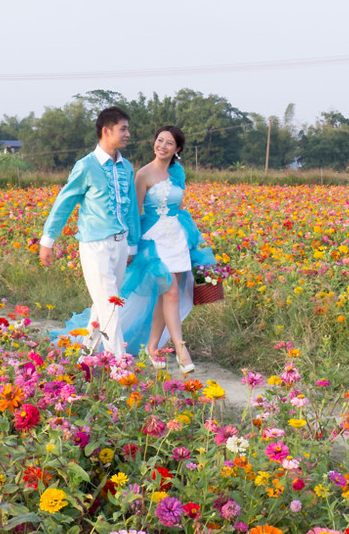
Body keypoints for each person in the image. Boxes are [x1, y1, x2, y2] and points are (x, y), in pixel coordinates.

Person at [39, 106, 140, 358]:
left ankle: (85, 355)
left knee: (104, 303)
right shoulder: (85, 166)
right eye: (123, 129)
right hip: (95, 246)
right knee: (111, 305)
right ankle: (118, 365)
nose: (128, 134)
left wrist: (132, 245)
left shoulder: (126, 167)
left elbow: (131, 209)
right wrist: (47, 241)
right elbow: (64, 203)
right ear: (106, 131)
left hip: (120, 243)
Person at [117, 125, 216, 373]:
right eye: (159, 140)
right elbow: (134, 212)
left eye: (169, 143)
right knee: (170, 292)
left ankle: (152, 346)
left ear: (178, 149)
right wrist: (132, 247)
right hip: (154, 239)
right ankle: (181, 349)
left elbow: (178, 204)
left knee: (168, 295)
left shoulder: (177, 173)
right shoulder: (143, 174)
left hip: (177, 237)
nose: (162, 146)